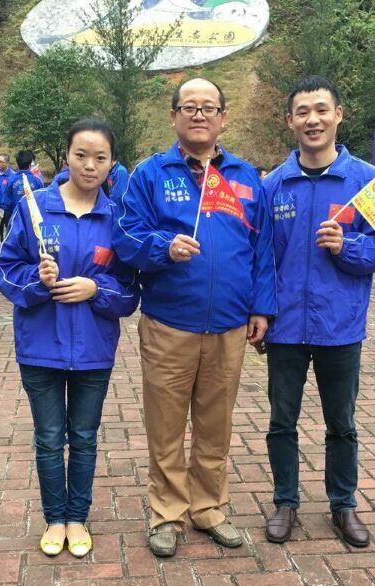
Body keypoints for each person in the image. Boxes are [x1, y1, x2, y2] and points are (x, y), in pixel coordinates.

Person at [114, 77, 276, 558]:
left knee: (215, 426)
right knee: (165, 427)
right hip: (169, 325)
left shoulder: (246, 177)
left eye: (209, 107)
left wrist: (261, 307)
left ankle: (208, 509)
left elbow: (262, 249)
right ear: (174, 117)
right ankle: (167, 514)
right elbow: (125, 238)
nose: (199, 114)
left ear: (223, 117)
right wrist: (163, 247)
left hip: (229, 326)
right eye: (189, 107)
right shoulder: (150, 174)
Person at [261, 76, 375, 547]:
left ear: (338, 115)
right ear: (290, 121)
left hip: (340, 325)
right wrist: (260, 313)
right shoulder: (273, 186)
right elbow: (261, 258)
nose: (313, 120)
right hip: (284, 327)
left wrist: (348, 247)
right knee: (281, 421)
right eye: (302, 112)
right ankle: (285, 502)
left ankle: (343, 505)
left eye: (321, 110)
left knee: (341, 424)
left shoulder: (366, 182)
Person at [0, 118, 140, 558]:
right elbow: (6, 270)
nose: (89, 165)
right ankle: (54, 519)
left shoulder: (117, 218)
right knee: (48, 437)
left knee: (84, 437)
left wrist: (96, 289)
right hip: (41, 347)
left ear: (112, 164)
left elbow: (129, 290)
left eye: (100, 157)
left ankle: (77, 517)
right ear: (67, 158)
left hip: (93, 349)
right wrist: (37, 281)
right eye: (81, 155)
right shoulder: (35, 207)